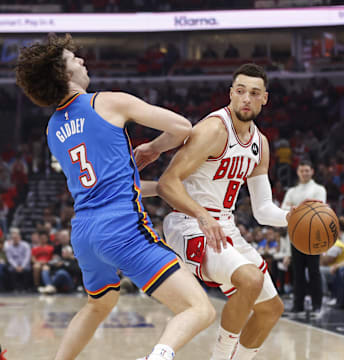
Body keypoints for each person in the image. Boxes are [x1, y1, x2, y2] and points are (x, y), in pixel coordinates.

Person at [16, 34, 215, 360]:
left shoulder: (53, 129)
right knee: (199, 309)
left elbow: (108, 184)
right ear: (63, 73)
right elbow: (182, 128)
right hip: (122, 228)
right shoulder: (106, 102)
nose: (81, 61)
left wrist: (161, 188)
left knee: (99, 305)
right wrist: (152, 148)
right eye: (73, 59)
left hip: (84, 232)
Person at [136, 63, 297, 360]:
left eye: (254, 93)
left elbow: (262, 210)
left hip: (223, 226)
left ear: (265, 99)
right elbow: (168, 184)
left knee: (271, 309)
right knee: (250, 279)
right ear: (231, 94)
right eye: (240, 91)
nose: (246, 98)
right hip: (189, 223)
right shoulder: (213, 129)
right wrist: (203, 215)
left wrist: (293, 217)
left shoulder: (260, 144)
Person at [281, 160, 327, 315]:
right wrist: (303, 206)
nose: (305, 173)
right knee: (298, 272)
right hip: (295, 236)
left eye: (307, 170)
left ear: (312, 171)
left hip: (313, 236)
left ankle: (317, 306)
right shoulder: (292, 191)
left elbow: (317, 209)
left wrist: (296, 208)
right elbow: (284, 212)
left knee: (314, 272)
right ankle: (298, 305)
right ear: (298, 172)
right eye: (302, 170)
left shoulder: (319, 189)